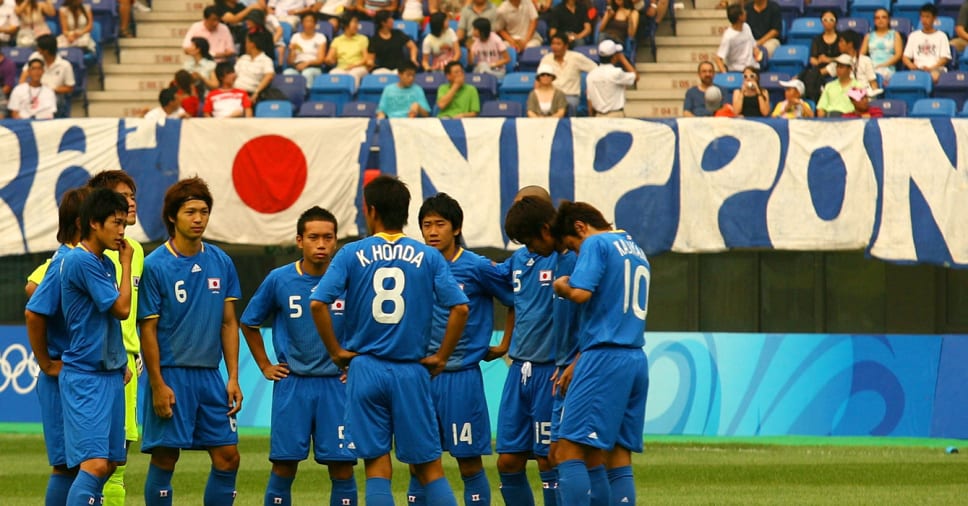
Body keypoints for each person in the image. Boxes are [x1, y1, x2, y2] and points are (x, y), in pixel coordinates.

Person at [309, 175, 469, 506]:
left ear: (370, 210)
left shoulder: (352, 253)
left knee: (376, 467)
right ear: (406, 212)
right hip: (411, 370)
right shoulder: (428, 256)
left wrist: (337, 351)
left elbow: (317, 303)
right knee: (429, 468)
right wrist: (441, 357)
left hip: (365, 368)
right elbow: (460, 308)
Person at [240, 207, 358, 506]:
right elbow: (249, 321)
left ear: (336, 241)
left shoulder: (350, 280)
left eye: (328, 237)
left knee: (343, 466)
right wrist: (265, 365)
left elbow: (367, 326)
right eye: (314, 237)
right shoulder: (280, 279)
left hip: (338, 386)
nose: (321, 244)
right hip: (294, 385)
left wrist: (356, 363)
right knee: (284, 465)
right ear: (299, 240)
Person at [139, 177, 243, 506]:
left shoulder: (221, 261)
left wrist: (234, 376)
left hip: (210, 377)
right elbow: (148, 330)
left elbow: (228, 322)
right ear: (173, 216)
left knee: (228, 457)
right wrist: (157, 384)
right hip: (172, 375)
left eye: (204, 211)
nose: (198, 219)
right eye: (190, 212)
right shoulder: (155, 265)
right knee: (166, 458)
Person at [406, 193, 514, 506]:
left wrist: (505, 345)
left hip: (461, 378)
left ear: (456, 228)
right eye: (427, 225)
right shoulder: (416, 266)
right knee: (418, 463)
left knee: (468, 463)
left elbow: (513, 298)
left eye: (440, 224)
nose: (432, 231)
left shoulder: (476, 266)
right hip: (421, 377)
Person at [550, 200, 649, 506]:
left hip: (604, 358)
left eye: (573, 246)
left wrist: (561, 286)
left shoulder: (596, 243)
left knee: (566, 450)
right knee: (616, 453)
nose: (578, 254)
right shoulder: (636, 249)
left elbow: (580, 293)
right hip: (635, 357)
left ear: (580, 227)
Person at [59, 188, 134, 506]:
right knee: (94, 464)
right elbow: (121, 310)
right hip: (86, 376)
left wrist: (119, 362)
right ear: (94, 223)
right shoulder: (82, 261)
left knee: (111, 463)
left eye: (124, 225)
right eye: (116, 223)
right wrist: (127, 263)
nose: (122, 232)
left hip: (109, 374)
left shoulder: (102, 262)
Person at [494, 187, 560, 506]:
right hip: (519, 369)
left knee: (549, 458)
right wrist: (504, 343)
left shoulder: (566, 257)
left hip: (551, 370)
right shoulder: (518, 259)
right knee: (507, 460)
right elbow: (508, 298)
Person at [24, 186, 90, 506]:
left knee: (89, 464)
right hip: (64, 376)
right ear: (82, 221)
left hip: (85, 377)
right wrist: (48, 364)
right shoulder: (64, 261)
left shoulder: (86, 260)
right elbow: (34, 312)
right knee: (68, 465)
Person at [83, 171, 145, 506]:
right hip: (97, 362)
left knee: (119, 457)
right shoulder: (87, 251)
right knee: (94, 459)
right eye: (122, 196)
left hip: (129, 363)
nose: (131, 201)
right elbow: (35, 287)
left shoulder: (135, 251)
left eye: (133, 194)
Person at [539, 32, 598, 114]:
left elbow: (596, 69)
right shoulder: (546, 59)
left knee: (570, 104)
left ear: (566, 46)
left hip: (570, 95)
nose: (555, 47)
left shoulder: (576, 57)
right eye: (553, 44)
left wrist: (591, 87)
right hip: (552, 95)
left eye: (558, 44)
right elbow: (539, 80)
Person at [20, 34, 75, 118]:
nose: (37, 50)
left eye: (39, 48)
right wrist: (22, 89)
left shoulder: (65, 65)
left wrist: (50, 90)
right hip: (33, 92)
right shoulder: (35, 56)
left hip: (54, 94)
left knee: (57, 101)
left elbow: (69, 87)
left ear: (46, 51)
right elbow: (24, 75)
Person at [586, 39, 637, 117]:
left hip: (598, 116)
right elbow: (636, 77)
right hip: (616, 115)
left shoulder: (591, 75)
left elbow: (589, 101)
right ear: (614, 57)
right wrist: (622, 58)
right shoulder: (616, 73)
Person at [902, 3, 950, 83]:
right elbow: (905, 57)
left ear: (934, 18)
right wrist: (912, 66)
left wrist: (931, 68)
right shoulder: (913, 35)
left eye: (927, 17)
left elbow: (944, 59)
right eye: (922, 16)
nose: (924, 20)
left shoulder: (942, 36)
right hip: (917, 70)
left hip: (936, 69)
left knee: (933, 77)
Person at [326, 12, 370, 87]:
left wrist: (355, 65)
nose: (357, 25)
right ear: (346, 24)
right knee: (333, 73)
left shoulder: (363, 39)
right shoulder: (337, 40)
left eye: (357, 22)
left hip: (359, 67)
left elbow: (366, 58)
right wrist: (330, 60)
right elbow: (329, 58)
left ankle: (351, 96)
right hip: (342, 68)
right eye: (354, 22)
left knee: (353, 74)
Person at [285, 12, 328, 89]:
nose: (308, 24)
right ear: (302, 23)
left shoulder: (320, 37)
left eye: (311, 21)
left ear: (315, 24)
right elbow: (289, 61)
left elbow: (321, 59)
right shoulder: (295, 37)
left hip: (314, 67)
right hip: (297, 66)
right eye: (306, 21)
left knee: (307, 73)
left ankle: (307, 96)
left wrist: (307, 63)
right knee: (287, 73)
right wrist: (292, 52)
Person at [714, 4, 760, 73]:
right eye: (743, 11)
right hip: (737, 71)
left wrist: (756, 52)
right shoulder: (728, 36)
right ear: (740, 17)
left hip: (752, 68)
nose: (746, 12)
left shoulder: (746, 27)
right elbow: (718, 58)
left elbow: (754, 46)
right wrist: (725, 74)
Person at [861, 8, 903, 85]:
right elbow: (861, 55)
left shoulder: (895, 34)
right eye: (877, 18)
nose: (880, 20)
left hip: (888, 68)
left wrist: (884, 64)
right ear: (874, 21)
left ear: (888, 20)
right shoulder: (868, 36)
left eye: (884, 17)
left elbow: (898, 55)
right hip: (871, 68)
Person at [234, 31, 276, 103]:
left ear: (252, 44)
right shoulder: (243, 58)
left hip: (249, 93)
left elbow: (269, 76)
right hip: (234, 92)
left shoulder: (266, 60)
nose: (245, 45)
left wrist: (256, 92)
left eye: (246, 42)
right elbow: (233, 75)